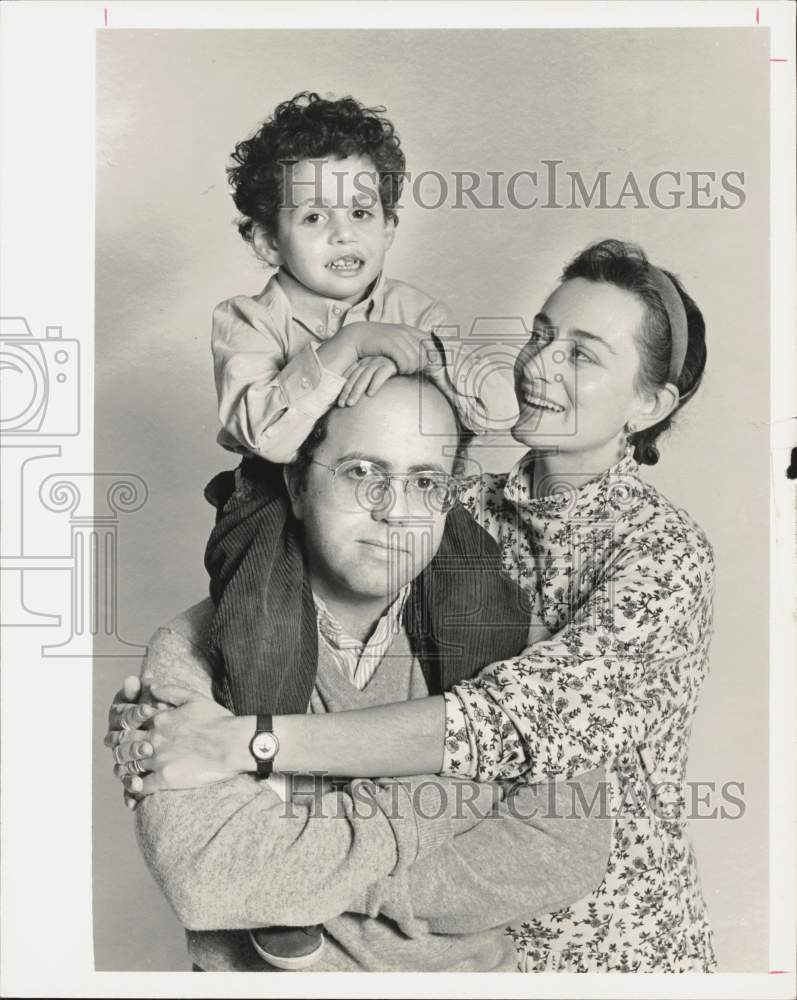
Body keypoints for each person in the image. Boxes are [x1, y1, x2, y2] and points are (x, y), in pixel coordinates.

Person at [116, 238, 717, 972]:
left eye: (582, 354)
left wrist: (248, 743)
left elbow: (502, 728)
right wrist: (156, 717)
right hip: (446, 939)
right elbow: (272, 583)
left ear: (650, 403)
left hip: (602, 940)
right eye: (539, 335)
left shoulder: (661, 554)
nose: (537, 365)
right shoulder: (455, 507)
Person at [108, 374, 610, 972]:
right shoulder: (190, 649)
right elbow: (209, 880)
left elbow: (566, 853)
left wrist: (302, 883)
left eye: (426, 482)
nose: (394, 511)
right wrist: (480, 782)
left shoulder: (508, 636)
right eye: (360, 472)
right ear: (296, 484)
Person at [204, 91, 520, 967]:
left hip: (403, 495)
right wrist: (344, 352)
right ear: (267, 241)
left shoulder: (412, 305)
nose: (343, 233)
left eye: (362, 211)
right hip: (272, 503)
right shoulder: (249, 320)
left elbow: (466, 412)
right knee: (259, 639)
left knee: (485, 600)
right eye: (313, 215)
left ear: (388, 222)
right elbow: (266, 432)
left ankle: (474, 783)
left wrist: (401, 351)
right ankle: (280, 850)